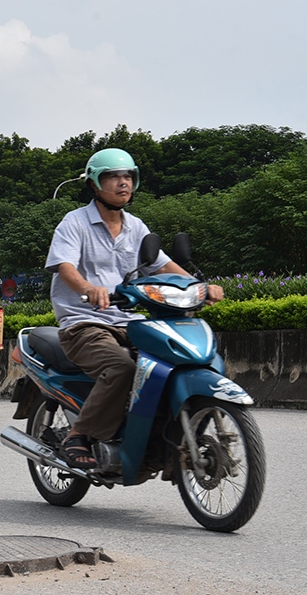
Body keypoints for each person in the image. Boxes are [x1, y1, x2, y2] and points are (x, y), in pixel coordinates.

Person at [45, 148, 223, 469]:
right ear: (94, 183)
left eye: (128, 176)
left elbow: (162, 265)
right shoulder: (74, 223)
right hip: (84, 322)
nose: (123, 183)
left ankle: (162, 435)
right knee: (123, 369)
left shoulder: (136, 227)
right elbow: (66, 267)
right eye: (113, 176)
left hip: (129, 321)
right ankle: (79, 434)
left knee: (171, 363)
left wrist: (200, 287)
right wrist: (89, 289)